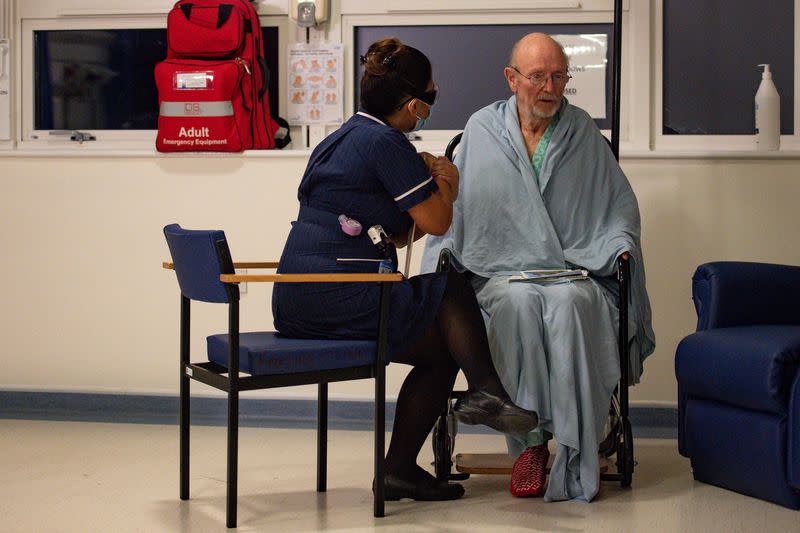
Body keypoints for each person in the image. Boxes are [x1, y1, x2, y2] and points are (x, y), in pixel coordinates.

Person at [272, 38, 537, 502]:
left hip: (299, 295)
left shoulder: (344, 136)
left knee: (444, 350)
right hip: (338, 292)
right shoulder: (385, 142)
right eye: (431, 99)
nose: (429, 108)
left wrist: (422, 182)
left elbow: (394, 234)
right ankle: (488, 391)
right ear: (414, 105)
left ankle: (399, 469)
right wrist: (446, 185)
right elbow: (436, 223)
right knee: (451, 283)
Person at [422, 33, 656, 502]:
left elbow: (616, 210)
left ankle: (575, 442)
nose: (549, 87)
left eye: (559, 76)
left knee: (571, 304)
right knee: (516, 304)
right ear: (512, 79)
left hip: (575, 270)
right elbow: (456, 210)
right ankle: (531, 445)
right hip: (500, 272)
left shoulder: (583, 132)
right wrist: (443, 251)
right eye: (537, 77)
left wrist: (620, 246)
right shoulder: (482, 130)